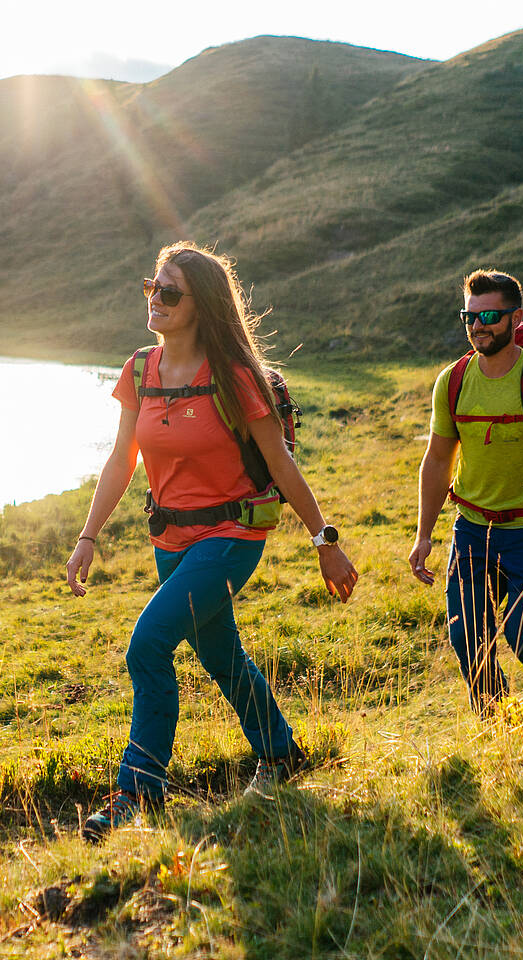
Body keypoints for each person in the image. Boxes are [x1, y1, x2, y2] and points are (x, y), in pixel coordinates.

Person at [64, 242, 357, 843]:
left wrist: (324, 539)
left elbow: (279, 462)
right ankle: (279, 754)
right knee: (219, 654)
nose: (156, 301)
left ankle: (136, 792)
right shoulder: (139, 370)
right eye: (152, 287)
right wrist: (88, 535)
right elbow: (123, 459)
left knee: (147, 645)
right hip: (169, 537)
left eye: (170, 293)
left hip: (231, 535)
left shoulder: (234, 376)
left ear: (203, 306)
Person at [406, 269, 523, 712]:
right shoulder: (452, 382)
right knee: (467, 639)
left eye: (490, 315)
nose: (479, 325)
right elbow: (436, 461)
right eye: (469, 316)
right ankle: (496, 726)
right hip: (472, 531)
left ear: (517, 318)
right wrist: (423, 534)